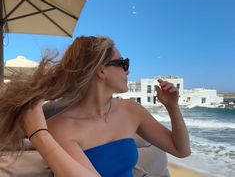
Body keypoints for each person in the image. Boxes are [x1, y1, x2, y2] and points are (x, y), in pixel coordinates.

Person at [0, 36, 191, 177]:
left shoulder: (131, 111)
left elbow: (181, 150)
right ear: (100, 70)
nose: (128, 70)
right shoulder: (61, 127)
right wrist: (39, 136)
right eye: (123, 64)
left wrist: (173, 108)